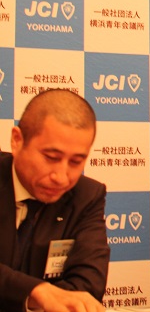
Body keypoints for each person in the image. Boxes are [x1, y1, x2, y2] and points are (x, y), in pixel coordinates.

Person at [0, 89, 109, 312]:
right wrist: (34, 291)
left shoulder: (87, 195)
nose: (61, 177)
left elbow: (87, 286)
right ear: (17, 141)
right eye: (51, 158)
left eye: (76, 162)